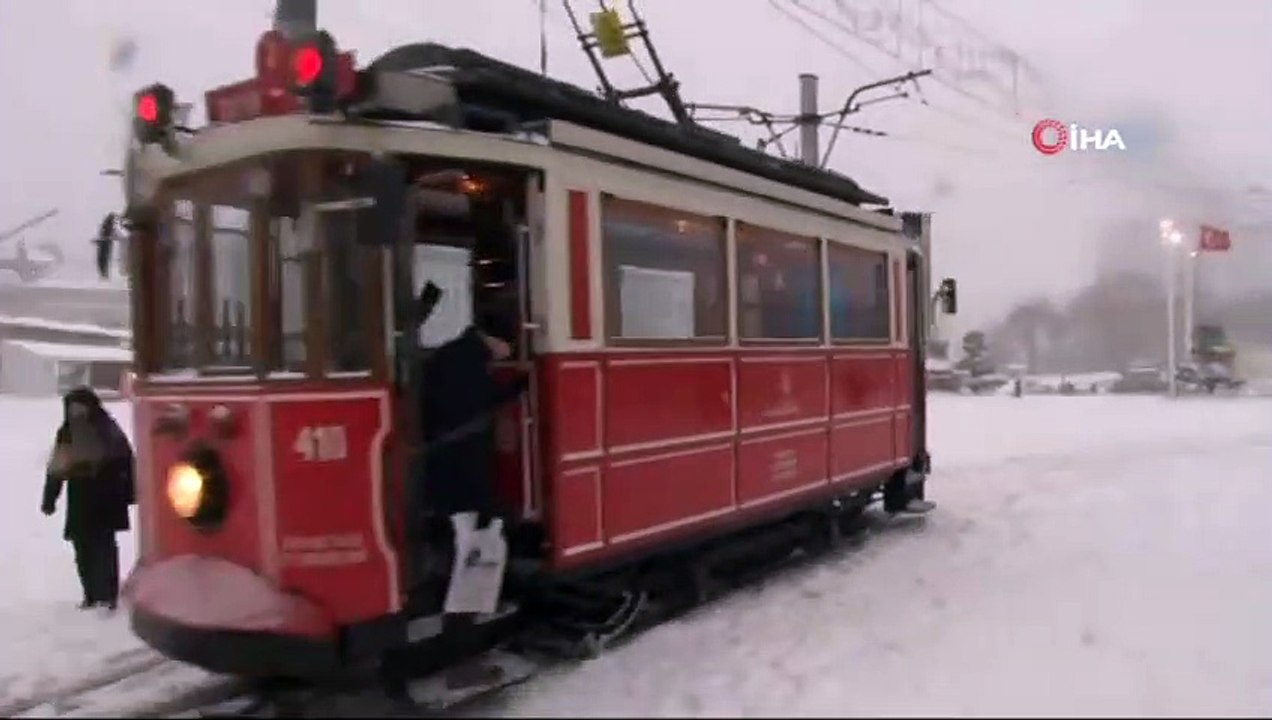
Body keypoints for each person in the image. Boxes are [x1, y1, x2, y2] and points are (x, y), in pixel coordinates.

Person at [41, 386, 135, 611]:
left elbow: (125, 460)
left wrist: (129, 492)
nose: (76, 412)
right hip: (81, 496)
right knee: (83, 547)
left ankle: (107, 595)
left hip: (106, 494)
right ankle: (91, 594)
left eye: (80, 407)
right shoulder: (68, 432)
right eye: (73, 408)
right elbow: (57, 467)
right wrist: (50, 497)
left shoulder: (106, 428)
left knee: (103, 547)